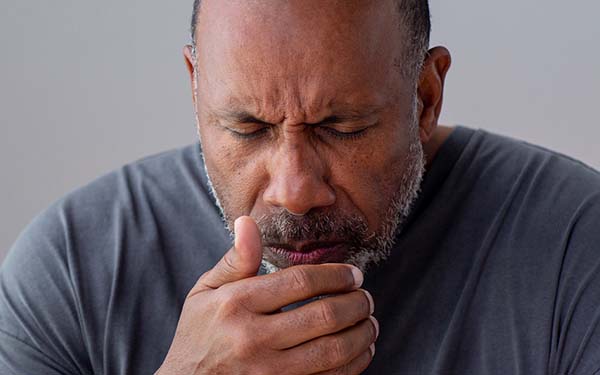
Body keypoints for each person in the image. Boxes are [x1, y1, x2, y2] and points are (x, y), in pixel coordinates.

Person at [1, 0, 599, 374]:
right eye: (247, 126)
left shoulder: (577, 250)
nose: (293, 191)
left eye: (341, 127)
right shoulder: (71, 269)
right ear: (195, 87)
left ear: (425, 99)